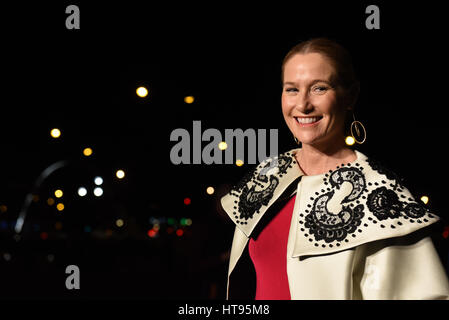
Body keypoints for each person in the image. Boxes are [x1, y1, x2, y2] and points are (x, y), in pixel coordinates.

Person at [220, 38, 449, 300]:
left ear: (350, 96)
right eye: (292, 89)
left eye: (319, 88)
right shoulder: (267, 175)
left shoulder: (381, 196)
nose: (303, 104)